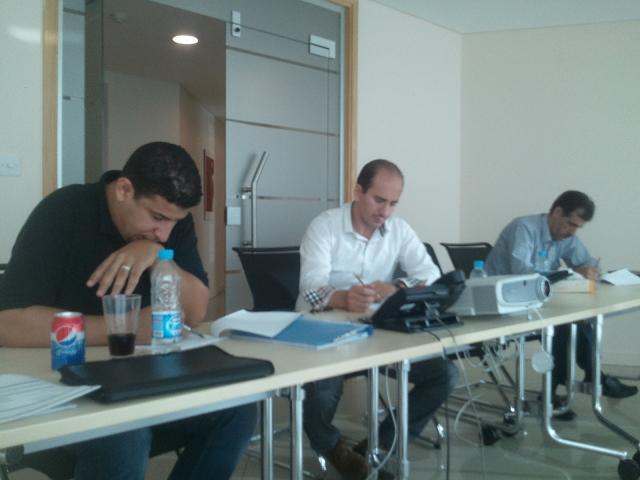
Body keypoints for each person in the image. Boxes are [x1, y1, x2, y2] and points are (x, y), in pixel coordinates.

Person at [0, 142, 256, 480]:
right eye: (157, 218)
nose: (165, 232)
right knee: (123, 433)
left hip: (143, 377)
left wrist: (156, 255)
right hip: (66, 383)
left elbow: (194, 312)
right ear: (124, 189)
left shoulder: (170, 224)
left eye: (174, 222)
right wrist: (124, 328)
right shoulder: (64, 210)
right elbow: (8, 323)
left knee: (237, 408)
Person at [297, 159, 458, 479]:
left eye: (393, 203)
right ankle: (332, 448)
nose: (385, 211)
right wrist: (342, 297)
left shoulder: (398, 230)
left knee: (444, 374)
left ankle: (381, 445)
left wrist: (396, 287)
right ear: (358, 192)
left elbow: (430, 274)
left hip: (376, 333)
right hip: (322, 329)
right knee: (322, 387)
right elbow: (310, 287)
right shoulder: (325, 226)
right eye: (379, 200)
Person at [485, 190, 637, 417]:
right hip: (505, 302)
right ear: (556, 212)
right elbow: (522, 273)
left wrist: (592, 270)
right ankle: (591, 377)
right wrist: (571, 272)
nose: (573, 232)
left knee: (575, 319)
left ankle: (564, 388)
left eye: (578, 227)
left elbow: (586, 262)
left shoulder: (565, 236)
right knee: (566, 324)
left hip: (536, 301)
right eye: (570, 224)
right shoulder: (524, 228)